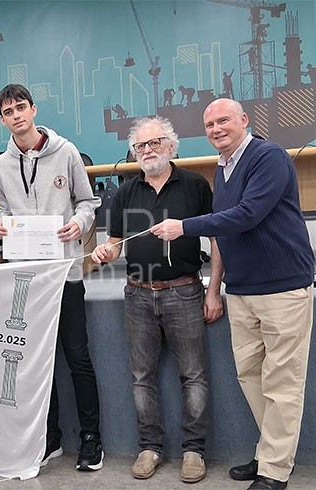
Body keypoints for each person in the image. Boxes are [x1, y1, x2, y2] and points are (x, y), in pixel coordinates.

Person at [152, 98, 314, 490]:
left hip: (282, 289)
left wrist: (184, 227)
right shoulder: (222, 169)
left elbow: (247, 214)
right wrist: (216, 286)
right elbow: (223, 235)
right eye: (209, 125)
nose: (216, 129)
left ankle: (275, 470)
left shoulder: (268, 157)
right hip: (241, 291)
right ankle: (271, 451)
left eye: (223, 120)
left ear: (244, 120)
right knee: (251, 376)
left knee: (282, 383)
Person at [93, 116, 223, 484]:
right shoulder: (124, 193)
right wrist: (104, 253)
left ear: (171, 146)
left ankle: (194, 451)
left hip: (184, 292)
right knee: (141, 377)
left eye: (155, 143)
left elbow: (216, 239)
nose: (148, 150)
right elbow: (114, 244)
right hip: (137, 295)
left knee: (193, 376)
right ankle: (149, 447)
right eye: (141, 146)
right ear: (133, 153)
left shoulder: (195, 185)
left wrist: (214, 290)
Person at [0, 84, 103, 471]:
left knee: (77, 358)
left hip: (65, 273)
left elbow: (88, 202)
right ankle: (50, 436)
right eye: (8, 112)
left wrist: (79, 224)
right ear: (3, 120)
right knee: (39, 361)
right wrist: (2, 225)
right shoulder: (1, 165)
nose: (16, 116)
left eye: (21, 107)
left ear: (34, 109)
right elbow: (2, 209)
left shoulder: (66, 152)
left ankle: (91, 438)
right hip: (27, 278)